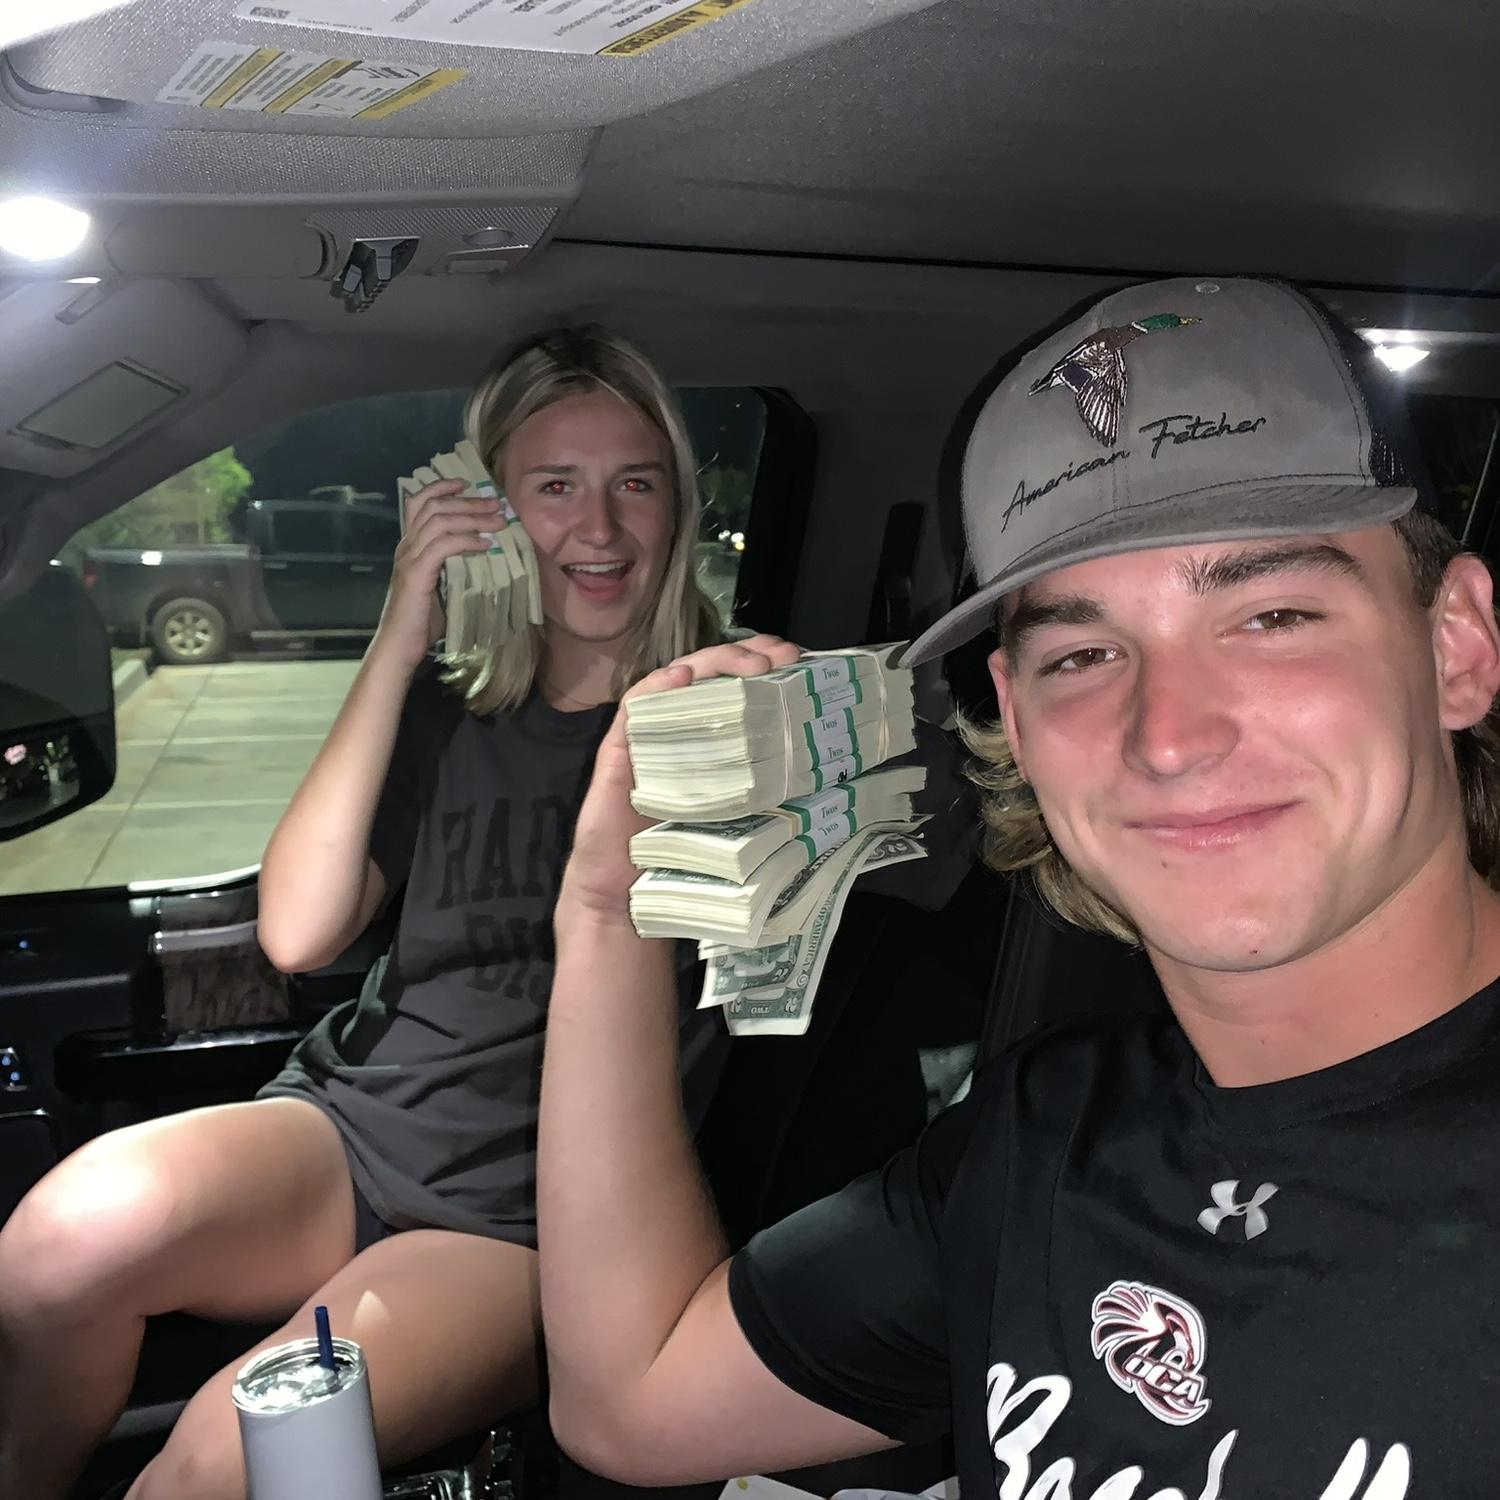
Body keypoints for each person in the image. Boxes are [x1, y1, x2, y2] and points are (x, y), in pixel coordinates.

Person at [535, 277, 1500, 1495]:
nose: (1168, 736)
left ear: (1456, 645)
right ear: (1018, 720)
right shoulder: (1046, 1131)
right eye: (1084, 653)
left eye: (1271, 616)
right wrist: (606, 908)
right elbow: (634, 1401)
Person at [0, 326, 728, 1500]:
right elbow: (298, 933)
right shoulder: (450, 712)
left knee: (223, 1462)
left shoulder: (729, 726)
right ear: (493, 512)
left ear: (677, 503)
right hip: (352, 1128)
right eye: (555, 487)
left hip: (522, 1218)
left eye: (634, 484)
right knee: (53, 1246)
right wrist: (399, 637)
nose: (599, 529)